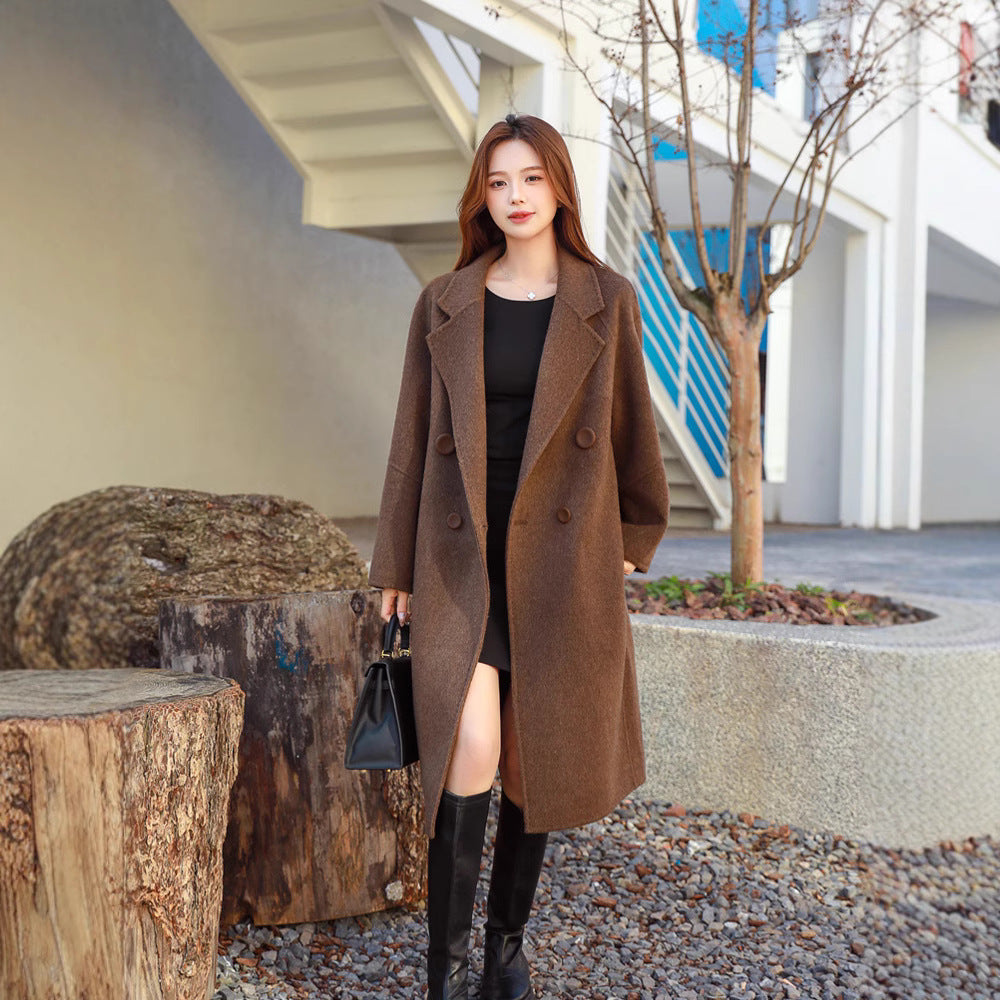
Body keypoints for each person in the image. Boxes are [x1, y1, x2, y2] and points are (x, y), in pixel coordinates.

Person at [367, 113, 670, 1000]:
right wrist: (393, 566)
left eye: (532, 178)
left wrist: (630, 544)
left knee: (536, 758)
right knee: (471, 743)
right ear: (482, 197)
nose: (516, 196)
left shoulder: (606, 298)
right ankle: (447, 970)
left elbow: (633, 429)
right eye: (499, 182)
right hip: (459, 555)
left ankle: (504, 950)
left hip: (561, 562)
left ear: (560, 187)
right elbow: (410, 441)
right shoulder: (445, 299)